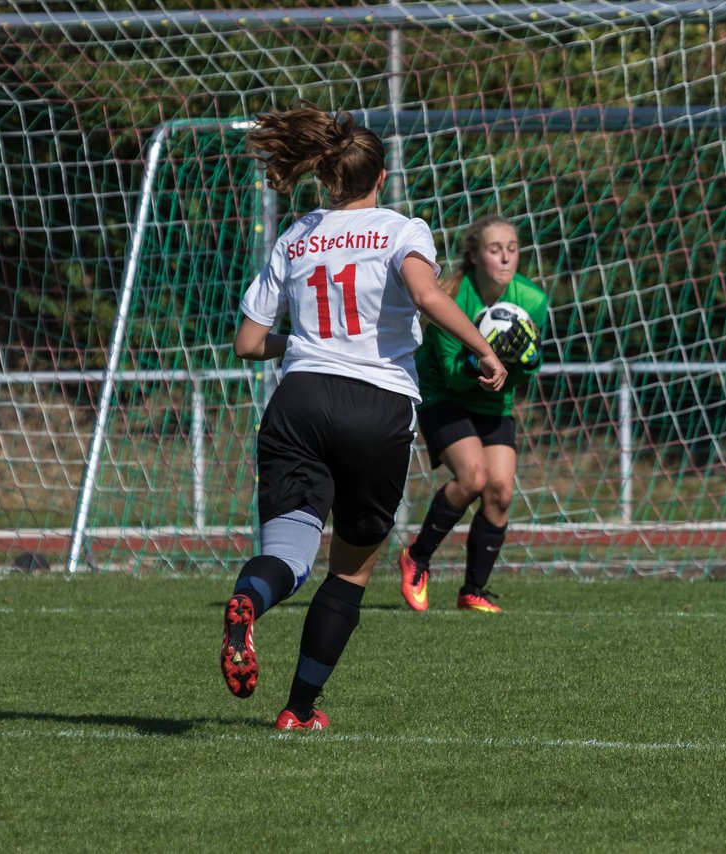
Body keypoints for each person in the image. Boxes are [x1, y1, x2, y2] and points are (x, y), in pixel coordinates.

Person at [220, 106, 507, 731]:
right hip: (376, 408)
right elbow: (428, 296)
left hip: (298, 401)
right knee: (349, 571)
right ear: (381, 177)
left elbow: (248, 341)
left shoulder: (298, 235)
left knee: (289, 553)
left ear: (327, 179)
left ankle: (249, 600)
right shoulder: (402, 229)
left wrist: (299, 346)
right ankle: (297, 710)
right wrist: (483, 349)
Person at [398, 215, 547, 614]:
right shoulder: (451, 296)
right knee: (473, 477)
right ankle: (418, 557)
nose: (505, 258)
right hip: (443, 396)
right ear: (475, 255)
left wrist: (526, 359)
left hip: (492, 402)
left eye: (512, 250)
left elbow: (527, 369)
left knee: (499, 491)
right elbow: (452, 374)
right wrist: (478, 361)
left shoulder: (531, 300)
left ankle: (473, 592)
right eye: (495, 249)